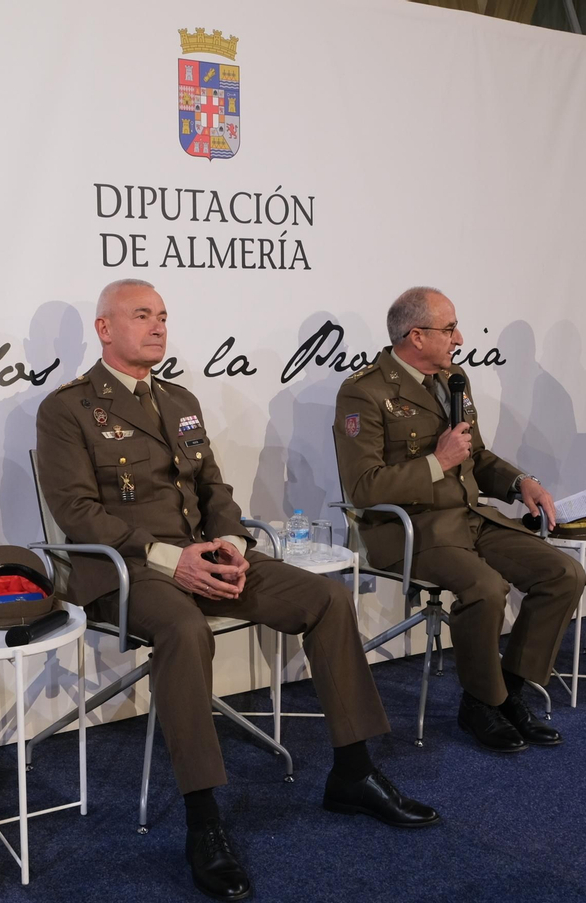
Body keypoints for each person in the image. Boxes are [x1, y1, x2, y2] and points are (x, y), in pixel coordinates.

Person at [36, 278, 437, 902]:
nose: (158, 326)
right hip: (129, 571)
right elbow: (77, 513)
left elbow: (214, 491)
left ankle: (353, 773)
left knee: (328, 598)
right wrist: (175, 559)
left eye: (164, 315)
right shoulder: (67, 408)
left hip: (206, 558)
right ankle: (204, 820)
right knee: (185, 629)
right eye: (141, 315)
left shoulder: (179, 398)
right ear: (105, 330)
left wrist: (231, 545)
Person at [333, 286, 585, 753]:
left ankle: (511, 690)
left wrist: (518, 483)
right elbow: (363, 488)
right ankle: (481, 702)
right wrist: (436, 462)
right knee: (486, 588)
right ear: (416, 336)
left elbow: (478, 457)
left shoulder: (454, 380)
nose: (459, 337)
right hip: (410, 529)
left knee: (564, 574)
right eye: (449, 329)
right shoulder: (364, 391)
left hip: (470, 517)